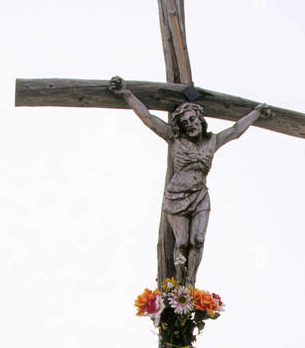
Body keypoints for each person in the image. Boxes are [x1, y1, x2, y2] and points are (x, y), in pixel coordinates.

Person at [109, 76, 272, 282]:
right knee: (183, 242)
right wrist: (126, 93)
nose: (189, 125)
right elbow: (148, 118)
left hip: (200, 195)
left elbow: (236, 130)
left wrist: (256, 113)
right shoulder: (175, 138)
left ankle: (190, 284)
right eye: (185, 123)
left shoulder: (212, 141)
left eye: (193, 120)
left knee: (198, 240)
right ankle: (179, 285)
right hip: (176, 197)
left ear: (200, 120)